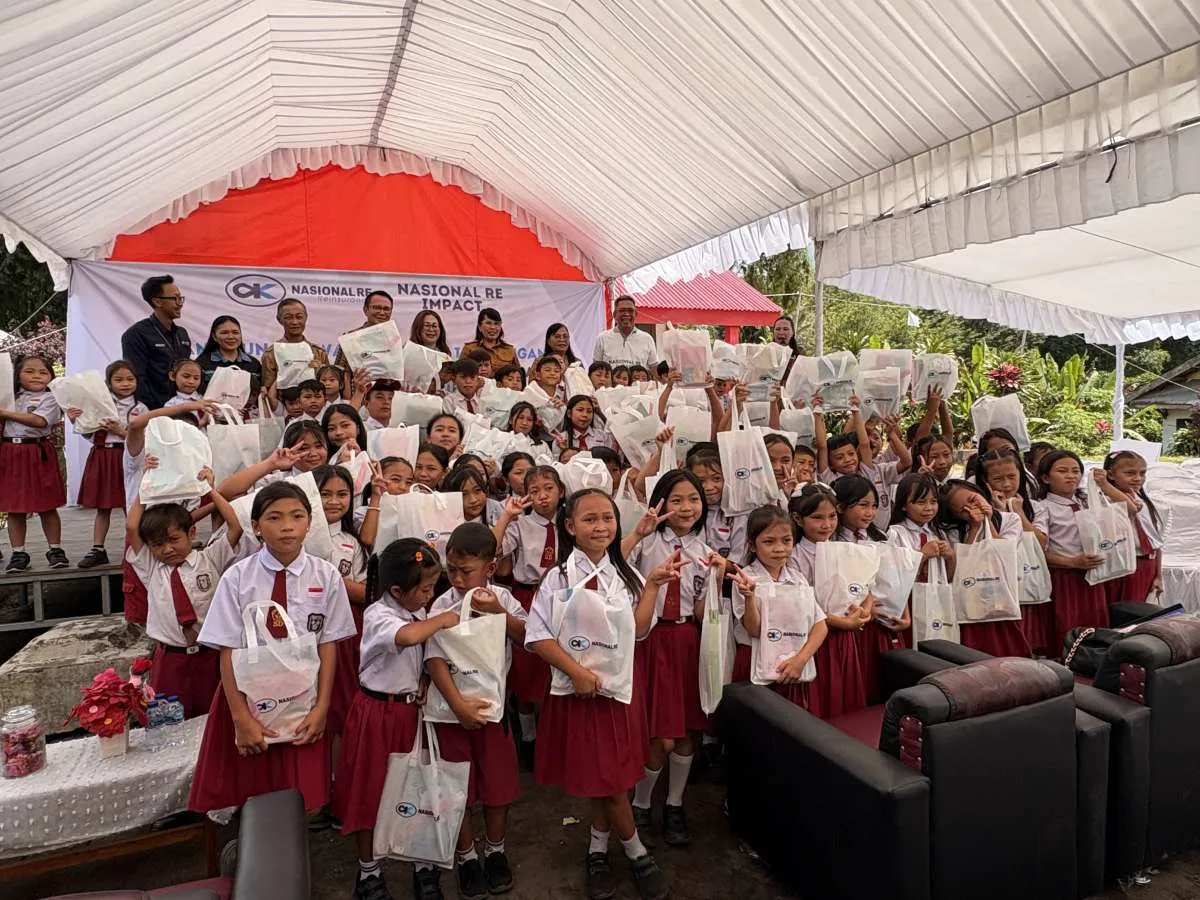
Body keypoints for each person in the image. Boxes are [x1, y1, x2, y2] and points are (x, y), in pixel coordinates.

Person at [526, 489, 674, 900]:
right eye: (589, 519)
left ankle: (596, 849)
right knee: (607, 777)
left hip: (620, 693)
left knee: (609, 775)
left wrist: (653, 588)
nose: (600, 527)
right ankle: (636, 851)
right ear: (570, 527)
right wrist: (575, 671)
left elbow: (640, 630)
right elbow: (538, 636)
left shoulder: (627, 574)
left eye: (607, 518)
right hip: (578, 694)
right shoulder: (558, 578)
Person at [188, 482, 356, 815]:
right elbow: (227, 650)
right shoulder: (238, 577)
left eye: (297, 516)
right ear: (256, 527)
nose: (287, 526)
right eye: (274, 518)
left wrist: (322, 706)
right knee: (253, 791)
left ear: (310, 522)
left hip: (303, 700)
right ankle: (253, 855)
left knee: (302, 795)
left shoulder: (327, 576)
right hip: (248, 700)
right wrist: (240, 718)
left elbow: (328, 644)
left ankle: (293, 859)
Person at [331, 539, 453, 900]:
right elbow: (410, 637)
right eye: (426, 589)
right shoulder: (379, 615)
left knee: (417, 785)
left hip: (411, 713)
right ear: (397, 590)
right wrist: (443, 618)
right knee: (372, 790)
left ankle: (422, 863)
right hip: (377, 714)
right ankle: (369, 870)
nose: (430, 596)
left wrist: (426, 681)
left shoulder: (417, 611)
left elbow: (421, 655)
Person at [426, 523, 527, 900]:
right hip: (451, 714)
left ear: (490, 566)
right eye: (450, 569)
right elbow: (435, 658)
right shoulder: (441, 603)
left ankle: (495, 851)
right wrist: (457, 704)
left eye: (465, 570)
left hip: (493, 712)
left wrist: (498, 612)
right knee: (456, 789)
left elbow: (526, 637)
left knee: (497, 788)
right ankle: (467, 855)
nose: (456, 577)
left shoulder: (503, 598)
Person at [623, 470, 714, 848]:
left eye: (693, 499)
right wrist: (638, 533)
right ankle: (641, 802)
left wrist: (721, 584)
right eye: (676, 500)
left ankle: (674, 804)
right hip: (650, 640)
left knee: (685, 733)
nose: (686, 507)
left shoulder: (704, 550)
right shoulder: (647, 543)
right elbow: (612, 562)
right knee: (659, 736)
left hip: (686, 642)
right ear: (660, 503)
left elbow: (699, 608)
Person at [125, 470, 244, 717]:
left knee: (215, 716)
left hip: (209, 655)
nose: (167, 549)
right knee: (169, 720)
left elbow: (235, 525)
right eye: (157, 544)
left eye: (173, 539)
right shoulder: (151, 567)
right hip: (171, 659)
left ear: (191, 533)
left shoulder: (210, 558)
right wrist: (146, 483)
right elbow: (131, 526)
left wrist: (209, 490)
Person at [491, 465, 566, 763]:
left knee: (554, 670)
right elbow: (492, 551)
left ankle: (553, 741)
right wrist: (507, 516)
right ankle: (528, 738)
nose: (542, 496)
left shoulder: (571, 521)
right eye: (534, 491)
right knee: (526, 669)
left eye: (548, 488)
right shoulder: (520, 524)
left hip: (562, 598)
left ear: (560, 490)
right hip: (528, 595)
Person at [735, 502, 827, 706]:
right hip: (755, 660)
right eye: (769, 542)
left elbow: (820, 625)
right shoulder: (746, 578)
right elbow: (754, 630)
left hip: (794, 662)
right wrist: (749, 597)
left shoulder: (798, 578)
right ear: (752, 544)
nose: (779, 549)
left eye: (786, 541)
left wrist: (801, 660)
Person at [789, 484, 869, 717]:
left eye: (832, 516)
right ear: (798, 519)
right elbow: (803, 605)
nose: (827, 524)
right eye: (817, 518)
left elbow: (866, 585)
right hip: (817, 637)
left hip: (847, 634)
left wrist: (865, 610)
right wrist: (841, 622)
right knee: (823, 694)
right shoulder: (795, 556)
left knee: (847, 694)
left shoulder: (844, 549)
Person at [939, 479, 1032, 657]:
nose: (972, 508)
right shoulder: (951, 530)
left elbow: (1003, 553)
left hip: (1003, 598)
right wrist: (974, 528)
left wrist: (987, 521)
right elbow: (958, 570)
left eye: (973, 499)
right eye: (962, 510)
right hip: (970, 603)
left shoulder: (1009, 519)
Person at [72, 360, 148, 569]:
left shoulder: (140, 408)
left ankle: (136, 546)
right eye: (119, 379)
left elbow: (145, 438)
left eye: (130, 379)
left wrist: (120, 430)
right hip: (103, 456)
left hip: (129, 459)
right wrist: (75, 420)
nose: (125, 384)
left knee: (131, 504)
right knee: (103, 506)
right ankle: (98, 548)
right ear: (109, 383)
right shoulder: (99, 403)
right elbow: (87, 432)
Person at [0, 356, 68, 572]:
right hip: (11, 451)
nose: (37, 376)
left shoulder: (51, 399)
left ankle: (55, 549)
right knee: (15, 506)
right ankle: (18, 553)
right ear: (17, 375)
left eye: (42, 372)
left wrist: (5, 413)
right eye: (29, 371)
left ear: (50, 377)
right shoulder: (11, 397)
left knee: (46, 504)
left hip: (38, 451)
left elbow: (39, 421)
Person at [1037, 450, 1109, 651]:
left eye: (1076, 471)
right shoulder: (1043, 507)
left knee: (1094, 626)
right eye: (1062, 471)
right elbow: (1038, 550)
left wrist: (1103, 485)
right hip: (1065, 577)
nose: (1071, 476)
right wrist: (1073, 562)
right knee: (1067, 627)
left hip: (1093, 575)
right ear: (1045, 478)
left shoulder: (1088, 501)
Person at [1096, 450, 1163, 605]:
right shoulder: (1105, 501)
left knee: (1141, 613)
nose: (1138, 478)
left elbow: (1156, 541)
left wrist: (1158, 575)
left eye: (1142, 473)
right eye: (1130, 473)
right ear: (1111, 475)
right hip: (1123, 567)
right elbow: (1130, 508)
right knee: (1124, 612)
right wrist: (1105, 484)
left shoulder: (1143, 500)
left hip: (1147, 566)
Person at [121, 275, 193, 410]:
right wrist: (155, 410)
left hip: (182, 408)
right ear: (157, 302)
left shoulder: (182, 333)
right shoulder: (136, 334)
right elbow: (137, 377)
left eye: (181, 298)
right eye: (175, 298)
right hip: (153, 411)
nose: (180, 303)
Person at [260, 299, 330, 405]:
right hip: (283, 411)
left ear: (306, 318)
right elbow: (268, 389)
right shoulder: (271, 354)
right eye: (288, 317)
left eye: (299, 317)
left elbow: (328, 387)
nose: (294, 322)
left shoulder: (318, 352)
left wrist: (319, 371)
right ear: (279, 320)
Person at [196, 315, 262, 410]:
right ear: (214, 336)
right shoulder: (202, 363)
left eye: (235, 332)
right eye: (224, 333)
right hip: (212, 416)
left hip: (248, 420)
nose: (231, 337)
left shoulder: (254, 364)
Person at [333, 290, 396, 374]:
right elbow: (338, 373)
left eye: (386, 309)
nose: (382, 312)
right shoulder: (350, 339)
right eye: (377, 308)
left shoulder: (395, 339)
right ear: (365, 310)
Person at [592, 296, 659, 371]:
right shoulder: (602, 338)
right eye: (622, 310)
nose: (626, 314)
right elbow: (596, 369)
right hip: (611, 383)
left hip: (639, 383)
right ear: (614, 314)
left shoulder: (647, 339)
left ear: (636, 314)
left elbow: (654, 368)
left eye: (630, 311)